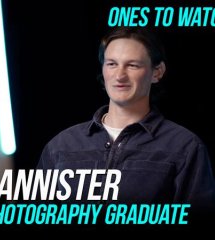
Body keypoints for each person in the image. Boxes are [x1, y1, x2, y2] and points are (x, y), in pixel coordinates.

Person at [37, 28, 215, 213]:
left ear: (157, 72)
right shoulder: (61, 146)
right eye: (112, 64)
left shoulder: (185, 147)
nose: (120, 76)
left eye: (133, 65)